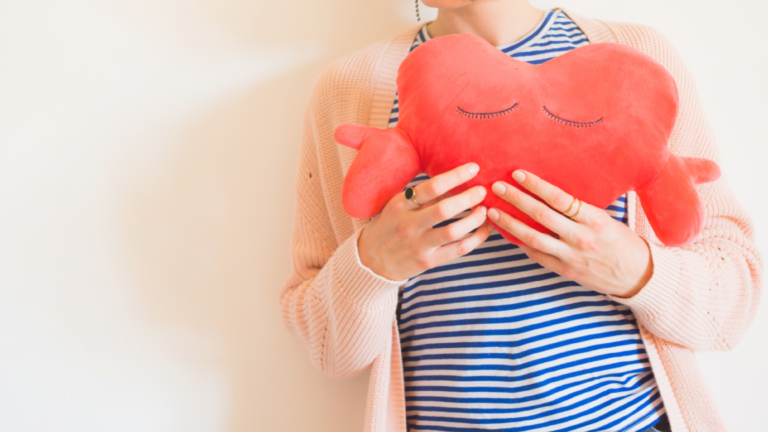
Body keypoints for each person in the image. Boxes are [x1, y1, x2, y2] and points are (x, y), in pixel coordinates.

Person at [280, 1, 763, 431]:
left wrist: (636, 270)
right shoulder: (349, 90)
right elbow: (331, 350)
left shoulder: (635, 58)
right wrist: (373, 265)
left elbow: (733, 301)